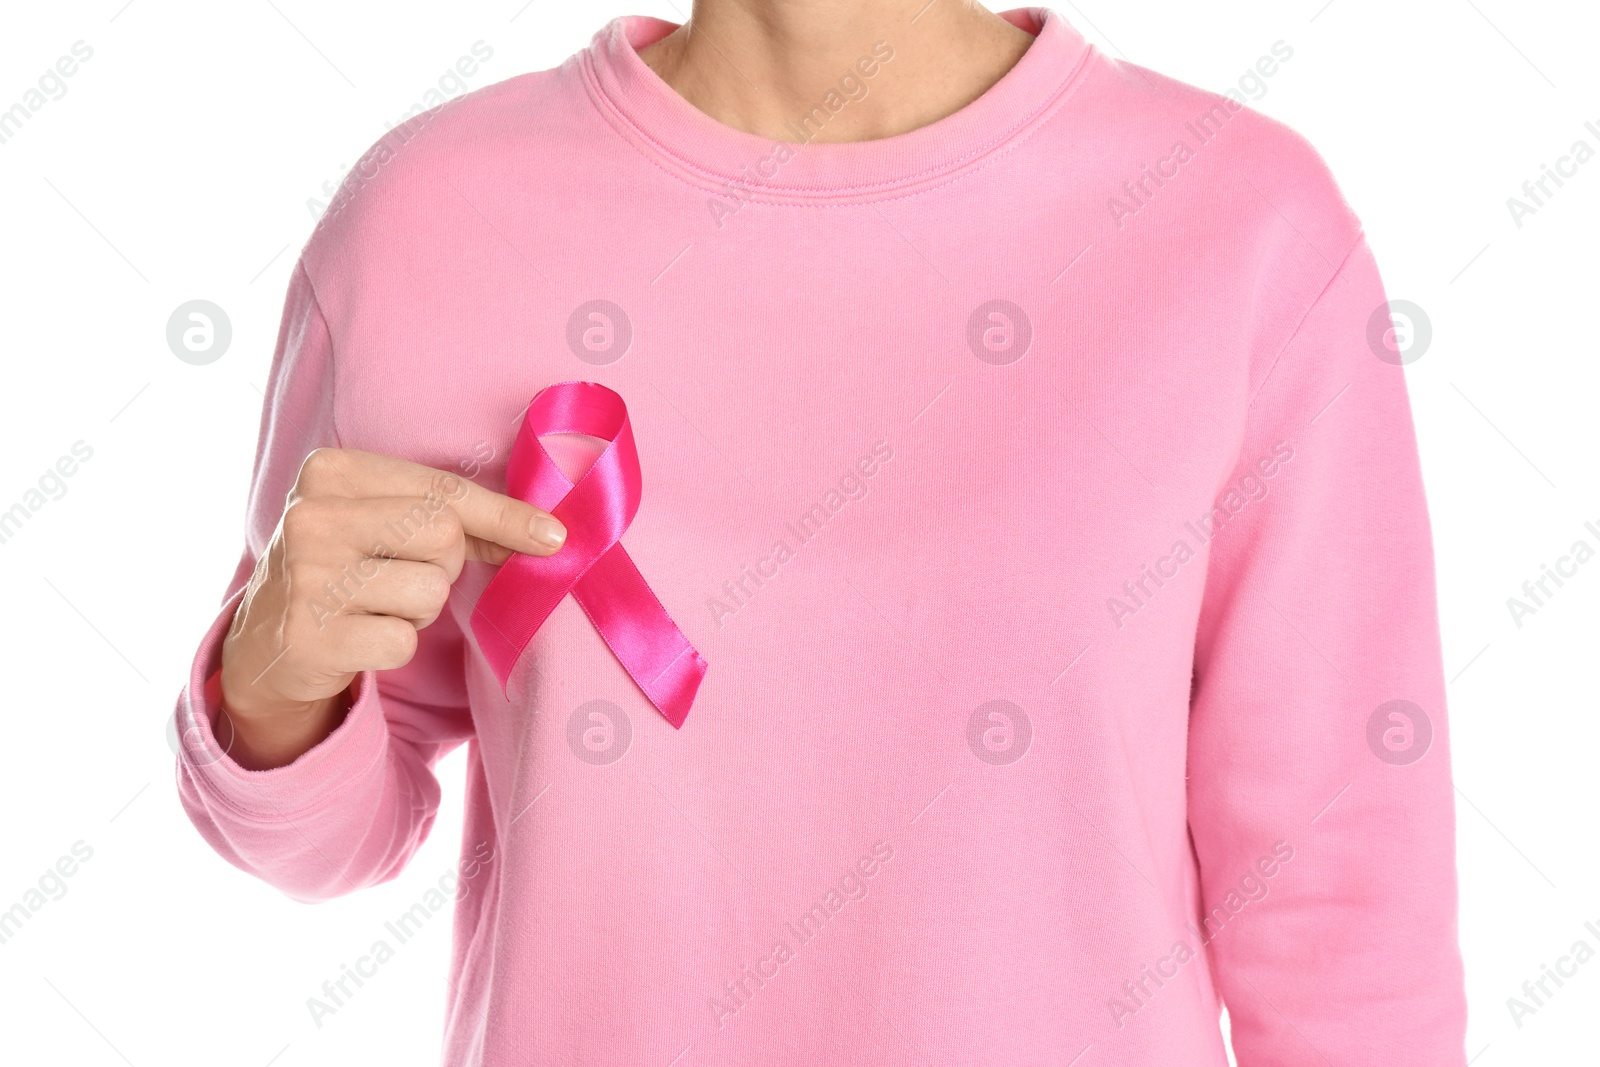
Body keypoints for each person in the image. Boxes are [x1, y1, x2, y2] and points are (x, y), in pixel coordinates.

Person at [172, 3, 1469, 1063]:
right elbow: (325, 829)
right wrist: (269, 681)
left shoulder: (1235, 225)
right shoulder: (430, 220)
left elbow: (1344, 924)